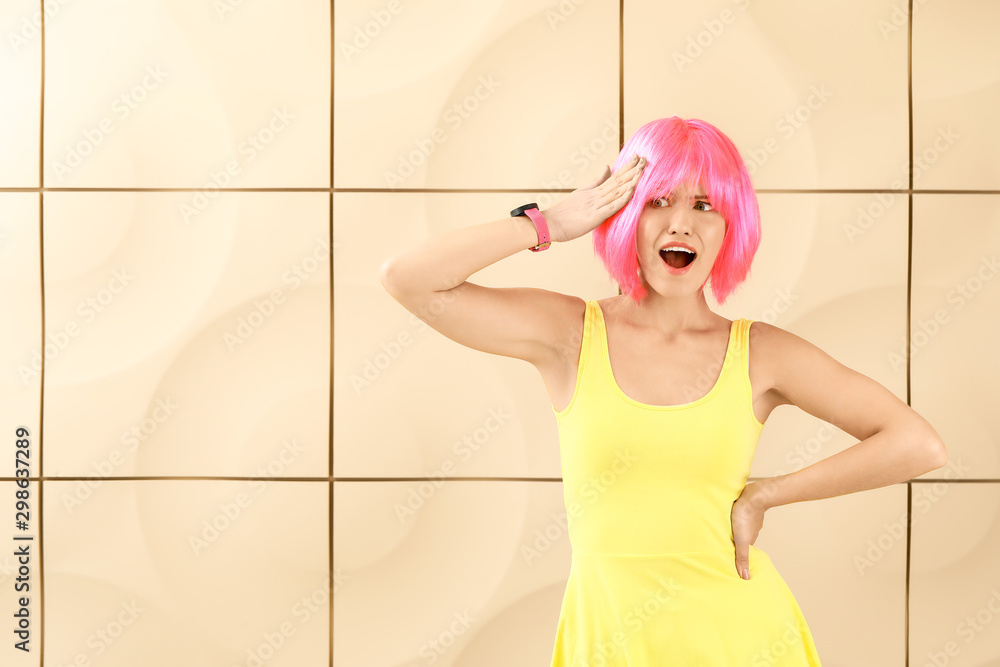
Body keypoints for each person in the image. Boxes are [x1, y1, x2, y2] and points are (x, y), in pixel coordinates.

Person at [379, 116, 947, 664]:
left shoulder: (762, 353)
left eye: (705, 205)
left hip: (741, 641)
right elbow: (408, 279)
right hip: (607, 640)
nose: (680, 224)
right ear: (625, 214)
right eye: (657, 201)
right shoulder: (571, 335)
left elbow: (916, 443)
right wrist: (548, 221)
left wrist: (766, 494)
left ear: (730, 228)